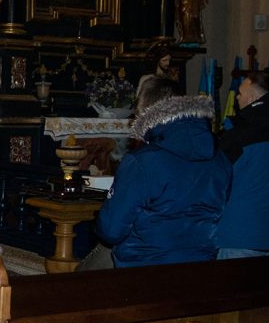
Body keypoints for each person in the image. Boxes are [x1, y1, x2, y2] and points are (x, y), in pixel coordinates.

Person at [96, 76, 231, 267]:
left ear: (145, 111)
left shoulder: (142, 161)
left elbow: (111, 230)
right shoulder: (220, 159)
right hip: (202, 266)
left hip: (145, 268)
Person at [215, 71, 269, 258]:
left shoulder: (240, 136)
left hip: (238, 234)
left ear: (253, 97)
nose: (237, 97)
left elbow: (214, 180)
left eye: (240, 93)